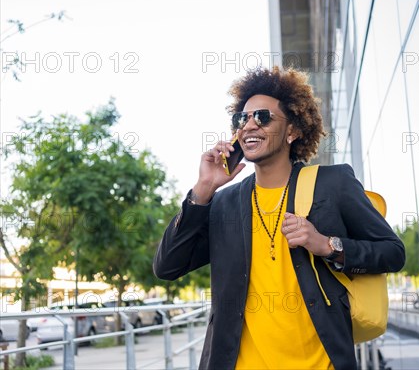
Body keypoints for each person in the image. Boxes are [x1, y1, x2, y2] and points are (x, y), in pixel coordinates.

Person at [153, 67, 405, 370]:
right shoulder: (224, 202)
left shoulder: (332, 183)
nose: (249, 125)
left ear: (292, 131)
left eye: (262, 117)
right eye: (241, 119)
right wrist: (203, 189)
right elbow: (167, 266)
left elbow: (393, 252)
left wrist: (327, 245)